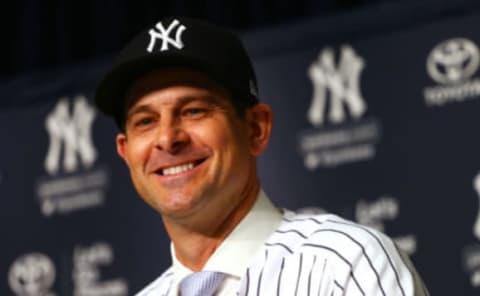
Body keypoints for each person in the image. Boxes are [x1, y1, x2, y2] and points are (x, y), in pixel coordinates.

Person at [94, 16, 429, 296]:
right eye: (146, 121)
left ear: (256, 128)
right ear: (125, 151)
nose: (168, 138)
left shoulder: (344, 264)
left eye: (194, 110)